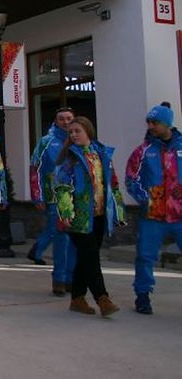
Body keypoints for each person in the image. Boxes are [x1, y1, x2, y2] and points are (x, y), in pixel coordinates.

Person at [54, 116, 124, 317]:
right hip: (79, 217)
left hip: (99, 214)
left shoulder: (101, 155)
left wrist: (118, 210)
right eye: (71, 132)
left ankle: (77, 298)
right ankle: (103, 298)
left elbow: (113, 184)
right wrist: (66, 212)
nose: (74, 135)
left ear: (88, 132)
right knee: (91, 257)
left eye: (77, 131)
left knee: (86, 258)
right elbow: (62, 187)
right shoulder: (70, 158)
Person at [124, 102, 182, 315]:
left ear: (167, 123)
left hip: (179, 214)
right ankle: (142, 295)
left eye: (155, 122)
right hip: (152, 215)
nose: (151, 126)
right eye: (149, 122)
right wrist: (146, 199)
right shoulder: (143, 151)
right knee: (145, 256)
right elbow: (131, 178)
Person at [29, 107, 77, 295]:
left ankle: (72, 278)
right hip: (55, 198)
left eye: (69, 118)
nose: (66, 122)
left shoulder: (79, 140)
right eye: (62, 119)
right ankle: (59, 279)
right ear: (56, 121)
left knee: (75, 240)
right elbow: (35, 169)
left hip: (78, 198)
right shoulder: (46, 142)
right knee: (61, 240)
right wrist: (37, 195)